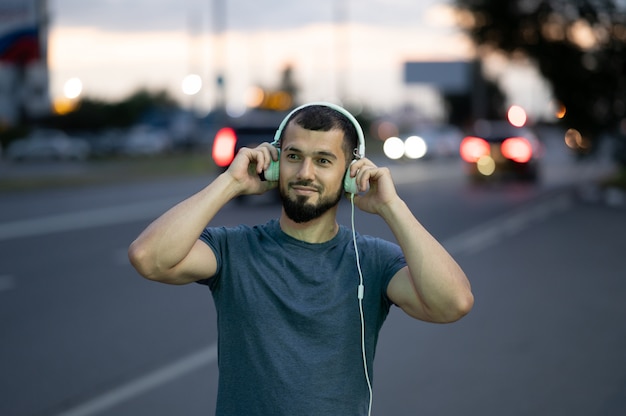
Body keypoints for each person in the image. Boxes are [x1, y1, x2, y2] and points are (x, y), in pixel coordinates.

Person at [128, 102, 473, 415]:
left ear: (351, 174)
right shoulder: (234, 250)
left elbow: (452, 303)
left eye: (323, 161)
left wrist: (392, 208)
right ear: (276, 163)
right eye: (294, 156)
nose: (305, 173)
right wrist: (230, 183)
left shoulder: (372, 261)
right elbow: (148, 257)